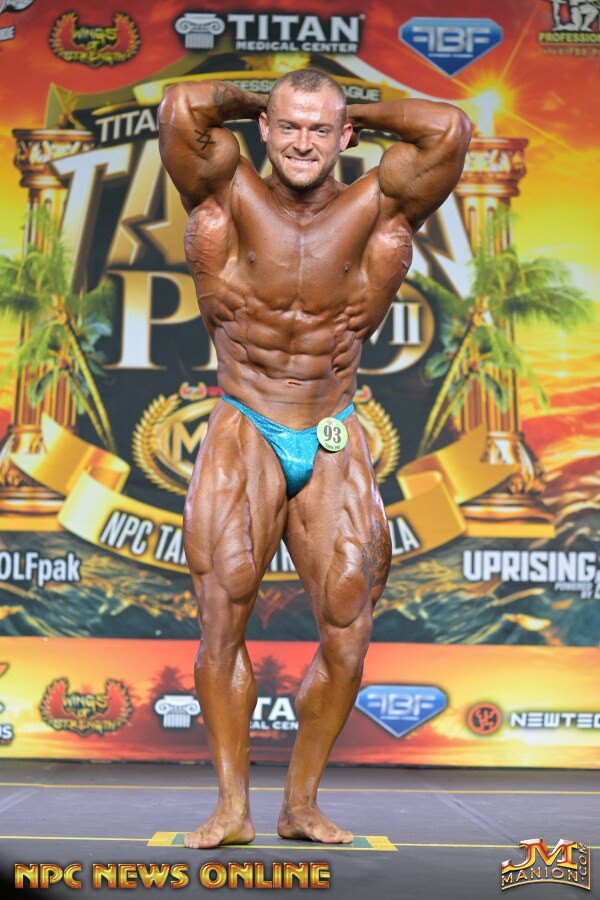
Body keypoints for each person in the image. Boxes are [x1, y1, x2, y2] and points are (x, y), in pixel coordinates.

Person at [158, 68, 471, 849]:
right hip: (245, 420)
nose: (303, 143)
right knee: (224, 610)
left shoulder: (379, 208)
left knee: (348, 622)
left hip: (331, 425)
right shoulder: (226, 191)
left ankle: (300, 804)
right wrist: (275, 95)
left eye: (321, 129)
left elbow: (449, 129)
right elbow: (181, 106)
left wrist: (342, 102)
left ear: (345, 136)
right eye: (289, 126)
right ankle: (232, 807)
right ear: (264, 128)